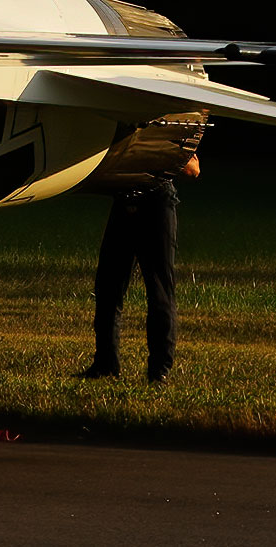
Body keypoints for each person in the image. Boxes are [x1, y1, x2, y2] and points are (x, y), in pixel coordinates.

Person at [80, 116, 206, 383]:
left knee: (159, 289)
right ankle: (105, 365)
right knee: (108, 288)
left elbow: (194, 169)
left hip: (158, 201)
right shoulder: (125, 123)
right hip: (125, 200)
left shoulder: (170, 127)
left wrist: (160, 155)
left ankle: (159, 370)